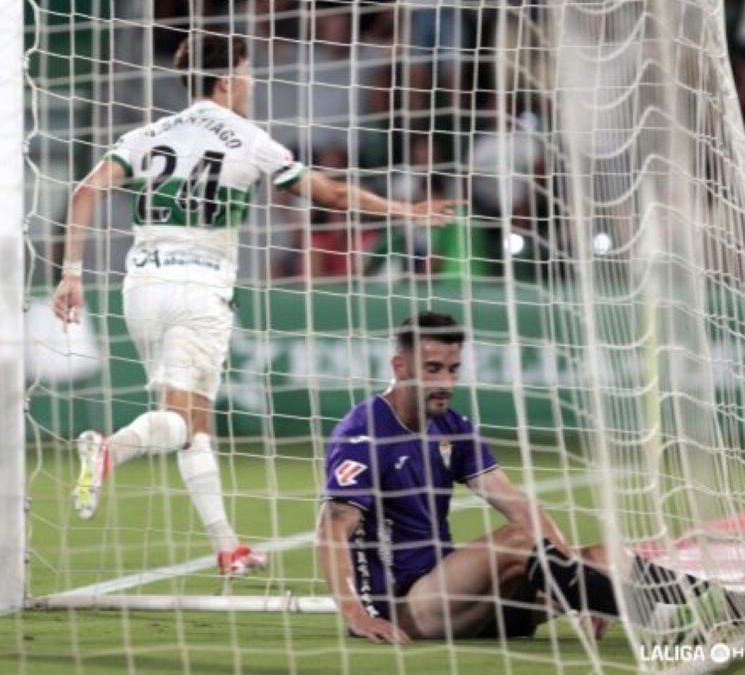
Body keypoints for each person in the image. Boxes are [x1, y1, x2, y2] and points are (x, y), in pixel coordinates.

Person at [52, 32, 457, 576]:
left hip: (142, 287)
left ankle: (228, 546)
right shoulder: (249, 139)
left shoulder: (147, 134)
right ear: (226, 81)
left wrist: (71, 274)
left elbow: (85, 191)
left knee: (192, 422)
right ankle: (109, 451)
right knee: (184, 420)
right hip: (199, 289)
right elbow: (334, 195)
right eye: (247, 74)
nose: (252, 84)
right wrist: (407, 211)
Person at [316, 311, 745, 642]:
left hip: (461, 597)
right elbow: (332, 529)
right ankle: (669, 615)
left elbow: (517, 503)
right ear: (400, 367)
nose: (445, 382)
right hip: (407, 607)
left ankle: (728, 603)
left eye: (453, 369)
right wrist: (356, 613)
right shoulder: (364, 432)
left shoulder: (453, 426)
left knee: (605, 553)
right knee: (517, 539)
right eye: (433, 369)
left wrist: (578, 578)